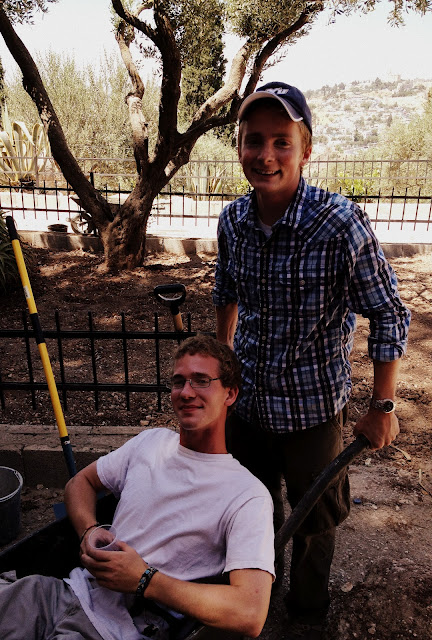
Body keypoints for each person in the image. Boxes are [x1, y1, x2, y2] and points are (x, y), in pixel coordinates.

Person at [213, 81, 411, 640]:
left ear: (306, 150)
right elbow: (226, 291)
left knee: (316, 519)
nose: (266, 155)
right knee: (249, 510)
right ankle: (253, 603)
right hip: (248, 405)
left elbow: (389, 313)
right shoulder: (233, 221)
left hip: (312, 413)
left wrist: (383, 406)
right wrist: (222, 363)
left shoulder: (340, 225)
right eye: (255, 140)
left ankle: (305, 613)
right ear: (240, 148)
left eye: (282, 141)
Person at [0, 334, 275, 640]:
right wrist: (89, 530)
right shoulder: (151, 442)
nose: (186, 392)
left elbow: (250, 614)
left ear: (230, 394)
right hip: (62, 592)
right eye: (179, 381)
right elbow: (81, 482)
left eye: (201, 380)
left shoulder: (246, 496)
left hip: (117, 629)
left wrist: (145, 580)